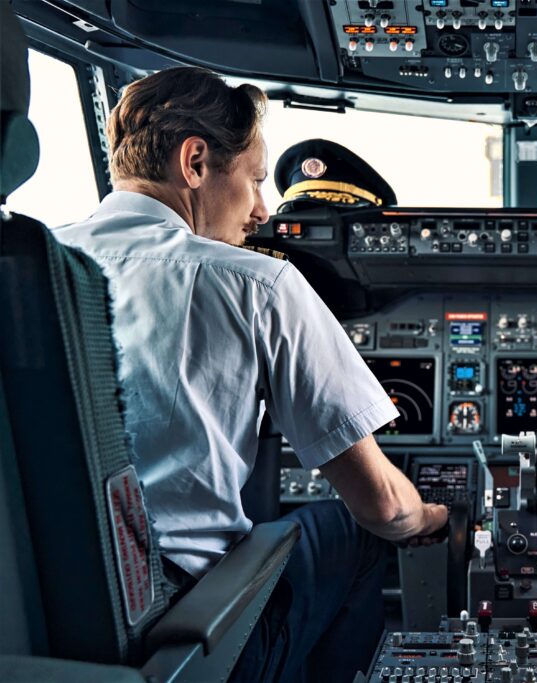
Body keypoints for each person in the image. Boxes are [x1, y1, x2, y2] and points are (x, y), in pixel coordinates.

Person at [53, 66, 447, 682]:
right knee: (355, 532)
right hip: (193, 636)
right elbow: (383, 508)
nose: (264, 209)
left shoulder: (37, 264)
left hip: (44, 629)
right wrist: (436, 518)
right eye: (256, 179)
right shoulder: (255, 284)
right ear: (195, 163)